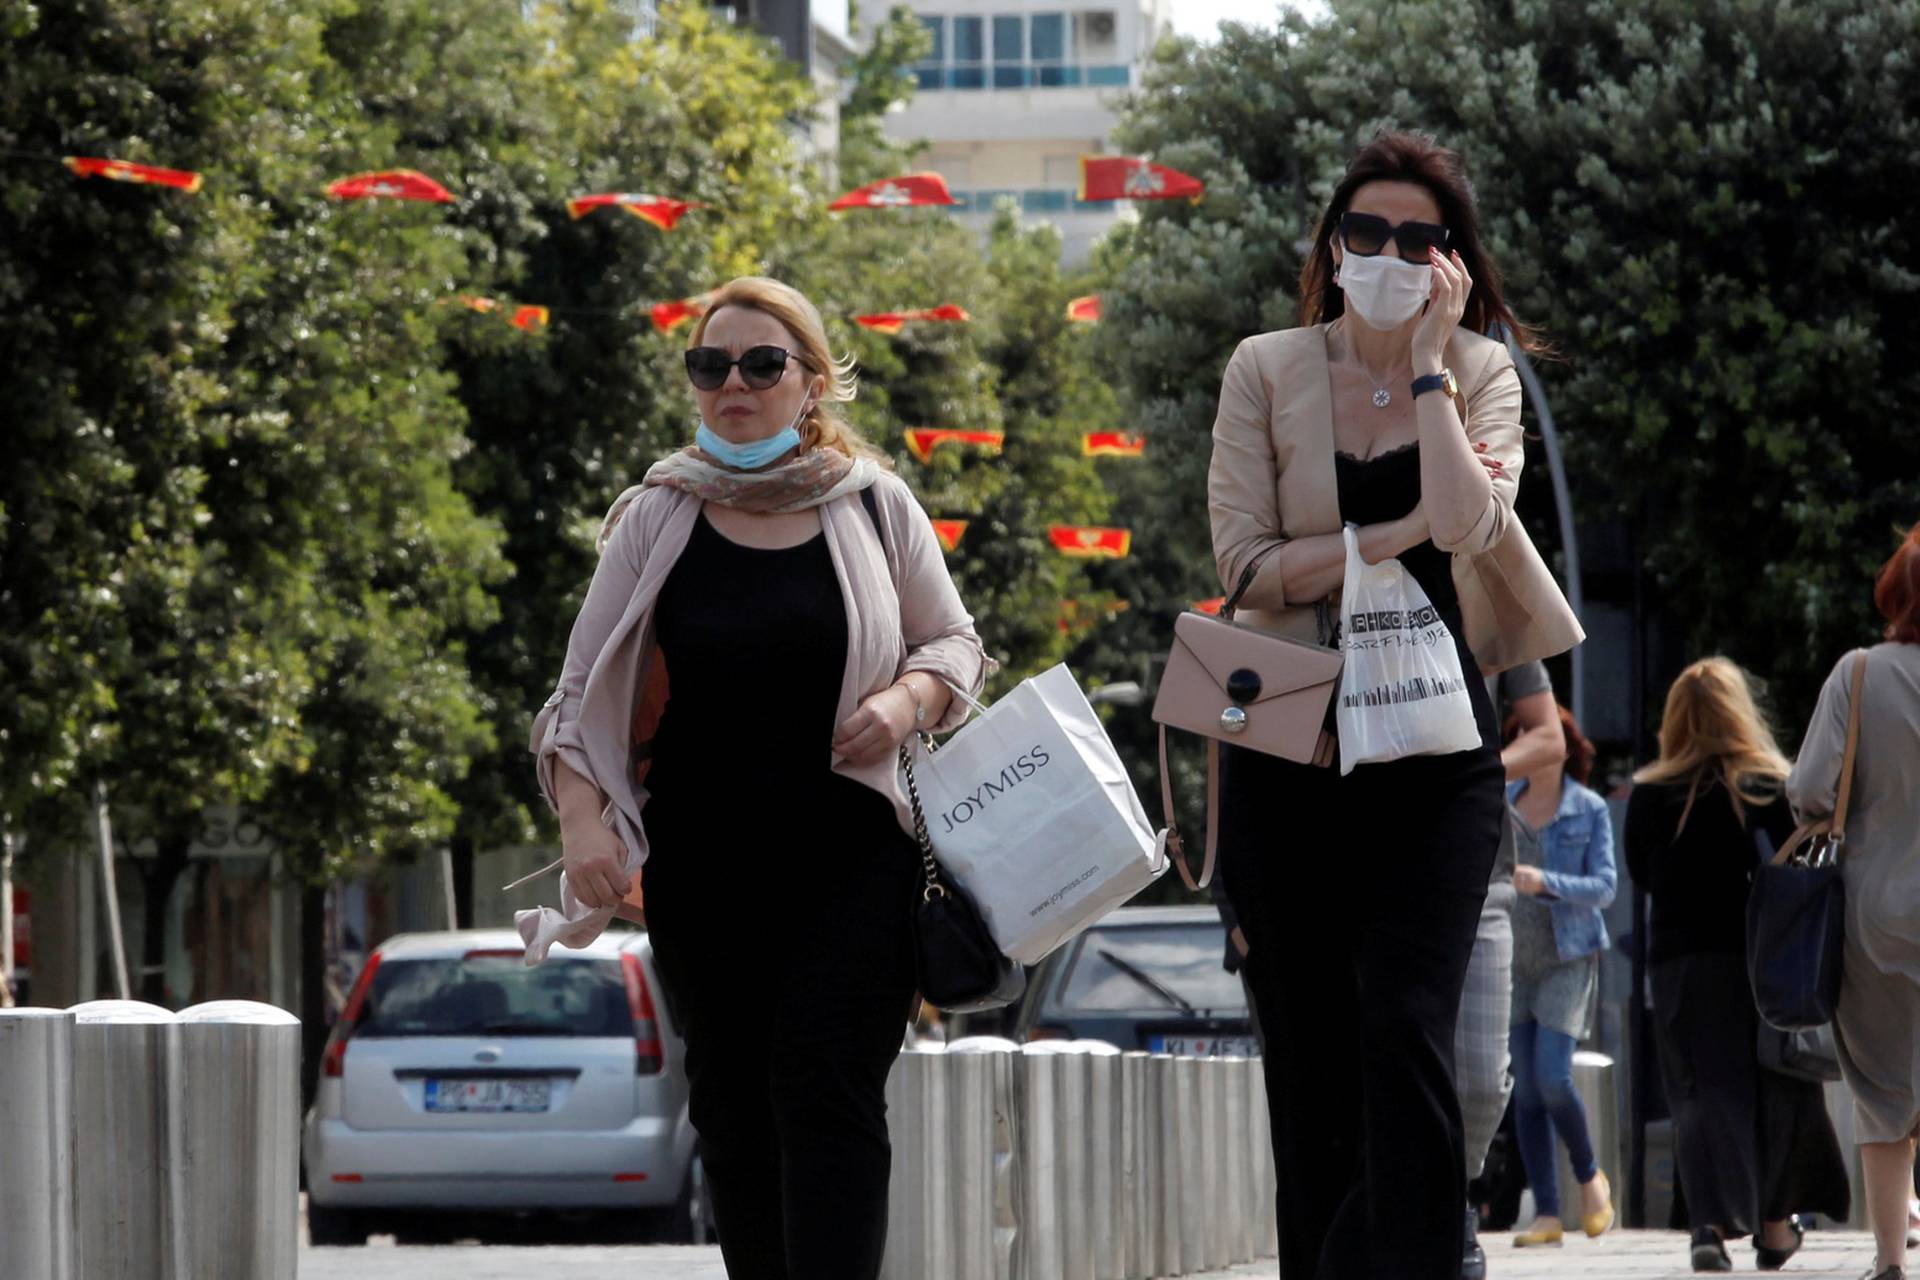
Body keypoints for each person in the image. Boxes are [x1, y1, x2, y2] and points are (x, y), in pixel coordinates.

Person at [518, 276, 990, 1280]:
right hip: (702, 864)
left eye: (762, 363)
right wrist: (582, 823)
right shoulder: (657, 514)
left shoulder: (873, 504)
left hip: (854, 858)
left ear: (811, 382)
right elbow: (575, 691)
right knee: (733, 1105)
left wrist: (902, 702)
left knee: (830, 1094)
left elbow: (954, 642)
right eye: (712, 364)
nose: (735, 382)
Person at [1207, 130, 1583, 1279]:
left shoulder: (1477, 371)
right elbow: (1245, 565)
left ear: (1452, 259)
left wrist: (1426, 360)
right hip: (1290, 746)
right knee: (1310, 1046)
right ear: (1332, 242)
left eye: (1417, 237)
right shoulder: (1265, 367)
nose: (1386, 251)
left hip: (1435, 748)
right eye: (1364, 231)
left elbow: (1473, 522)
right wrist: (1384, 537)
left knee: (1407, 1025)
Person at [1627, 658, 1850, 1273]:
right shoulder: (1764, 784)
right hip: (1759, 960)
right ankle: (1775, 1230)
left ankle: (1707, 1225)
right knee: (1778, 1086)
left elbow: (1640, 876)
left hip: (1679, 965)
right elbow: (1795, 860)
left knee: (1697, 1092)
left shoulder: (1649, 793)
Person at [1787, 521, 1920, 1280]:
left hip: (1877, 909)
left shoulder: (1859, 673)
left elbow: (1809, 789)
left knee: (1881, 1093)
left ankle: (1889, 1261)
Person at [1456, 660, 1565, 1279]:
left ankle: (1459, 1201)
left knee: (1481, 1077)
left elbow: (1547, 736)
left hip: (1481, 867)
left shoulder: (1489, 582)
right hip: (1373, 870)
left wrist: (1466, 774)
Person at [1504, 705, 1617, 1248]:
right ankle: (1547, 1212)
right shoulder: (1502, 806)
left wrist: (1544, 881)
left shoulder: (1588, 808)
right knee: (1524, 1093)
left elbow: (1605, 887)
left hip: (1569, 959)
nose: (1528, 744)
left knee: (1552, 1077)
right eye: (1519, 737)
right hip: (1511, 962)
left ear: (1563, 746)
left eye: (1537, 736)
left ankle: (1590, 1175)